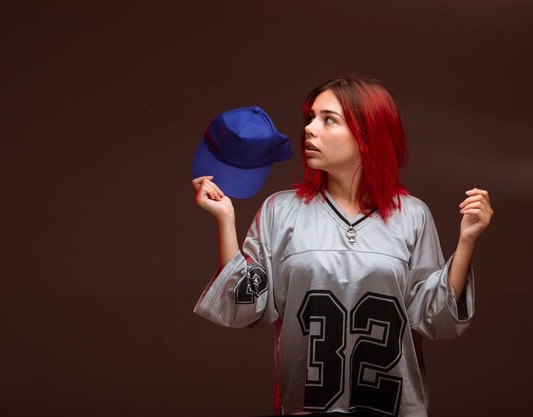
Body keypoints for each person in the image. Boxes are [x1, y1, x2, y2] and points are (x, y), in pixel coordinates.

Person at [190, 74, 493, 416]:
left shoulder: (412, 215)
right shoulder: (280, 210)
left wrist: (467, 241)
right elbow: (245, 306)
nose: (309, 128)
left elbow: (434, 318)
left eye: (328, 120)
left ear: (368, 135)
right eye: (310, 118)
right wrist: (226, 220)